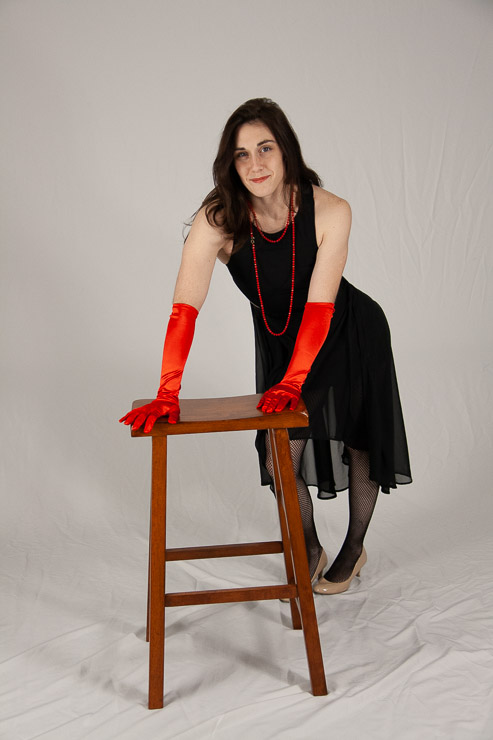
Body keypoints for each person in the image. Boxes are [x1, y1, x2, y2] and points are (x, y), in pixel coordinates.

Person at [120, 98, 412, 595]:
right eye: (241, 154)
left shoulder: (332, 210)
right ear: (230, 164)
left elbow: (319, 309)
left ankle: (354, 547)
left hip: (347, 332)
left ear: (286, 151)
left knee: (360, 441)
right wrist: (168, 390)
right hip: (283, 341)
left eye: (265, 148)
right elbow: (184, 308)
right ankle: (311, 546)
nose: (254, 164)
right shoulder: (218, 219)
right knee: (280, 458)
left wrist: (295, 382)